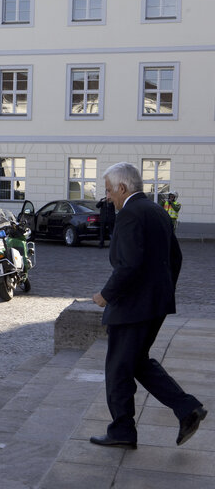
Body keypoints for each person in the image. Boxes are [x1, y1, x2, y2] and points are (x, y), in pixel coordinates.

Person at [91, 162, 206, 450]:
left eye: (108, 190)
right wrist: (161, 292)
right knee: (136, 362)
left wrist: (106, 294)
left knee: (118, 368)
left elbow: (129, 265)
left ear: (122, 187)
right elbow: (175, 259)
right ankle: (186, 408)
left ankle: (122, 430)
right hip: (155, 305)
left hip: (132, 307)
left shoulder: (130, 214)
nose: (107, 197)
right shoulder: (156, 210)